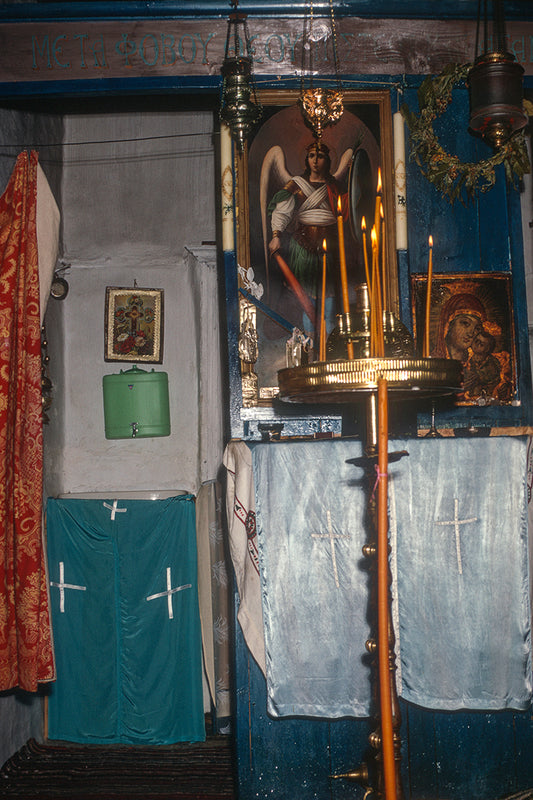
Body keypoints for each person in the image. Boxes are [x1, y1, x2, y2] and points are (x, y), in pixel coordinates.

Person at [267, 141, 350, 298]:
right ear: (306, 159)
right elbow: (282, 212)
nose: (315, 160)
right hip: (302, 247)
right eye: (312, 156)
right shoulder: (297, 184)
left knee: (330, 297)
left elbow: (345, 211)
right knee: (304, 299)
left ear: (327, 160)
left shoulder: (334, 186)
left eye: (320, 156)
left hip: (330, 247)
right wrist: (276, 236)